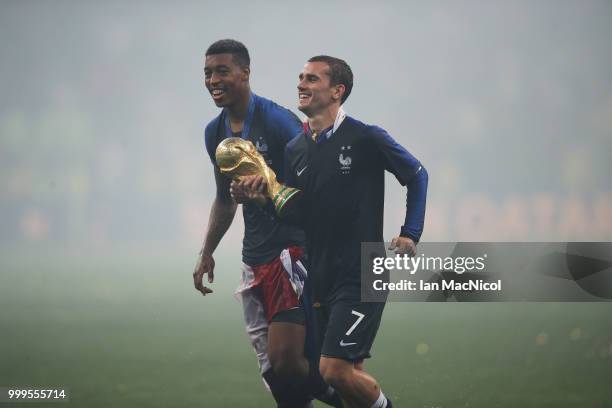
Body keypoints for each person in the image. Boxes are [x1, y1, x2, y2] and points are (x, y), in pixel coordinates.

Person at [232, 55, 428, 408]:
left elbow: (416, 174)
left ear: (337, 91)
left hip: (361, 271)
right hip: (319, 274)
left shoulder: (366, 137)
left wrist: (410, 232)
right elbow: (296, 213)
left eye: (311, 79)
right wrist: (259, 197)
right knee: (348, 374)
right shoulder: (296, 149)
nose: (301, 84)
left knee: (333, 371)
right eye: (300, 77)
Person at [193, 40, 342, 408]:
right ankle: (335, 392)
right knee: (277, 377)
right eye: (208, 73)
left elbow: (310, 190)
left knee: (286, 361)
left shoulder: (279, 122)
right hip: (252, 259)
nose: (214, 79)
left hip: (291, 252)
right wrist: (207, 251)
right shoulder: (215, 133)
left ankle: (345, 395)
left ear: (245, 73)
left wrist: (268, 192)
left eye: (222, 71)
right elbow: (226, 199)